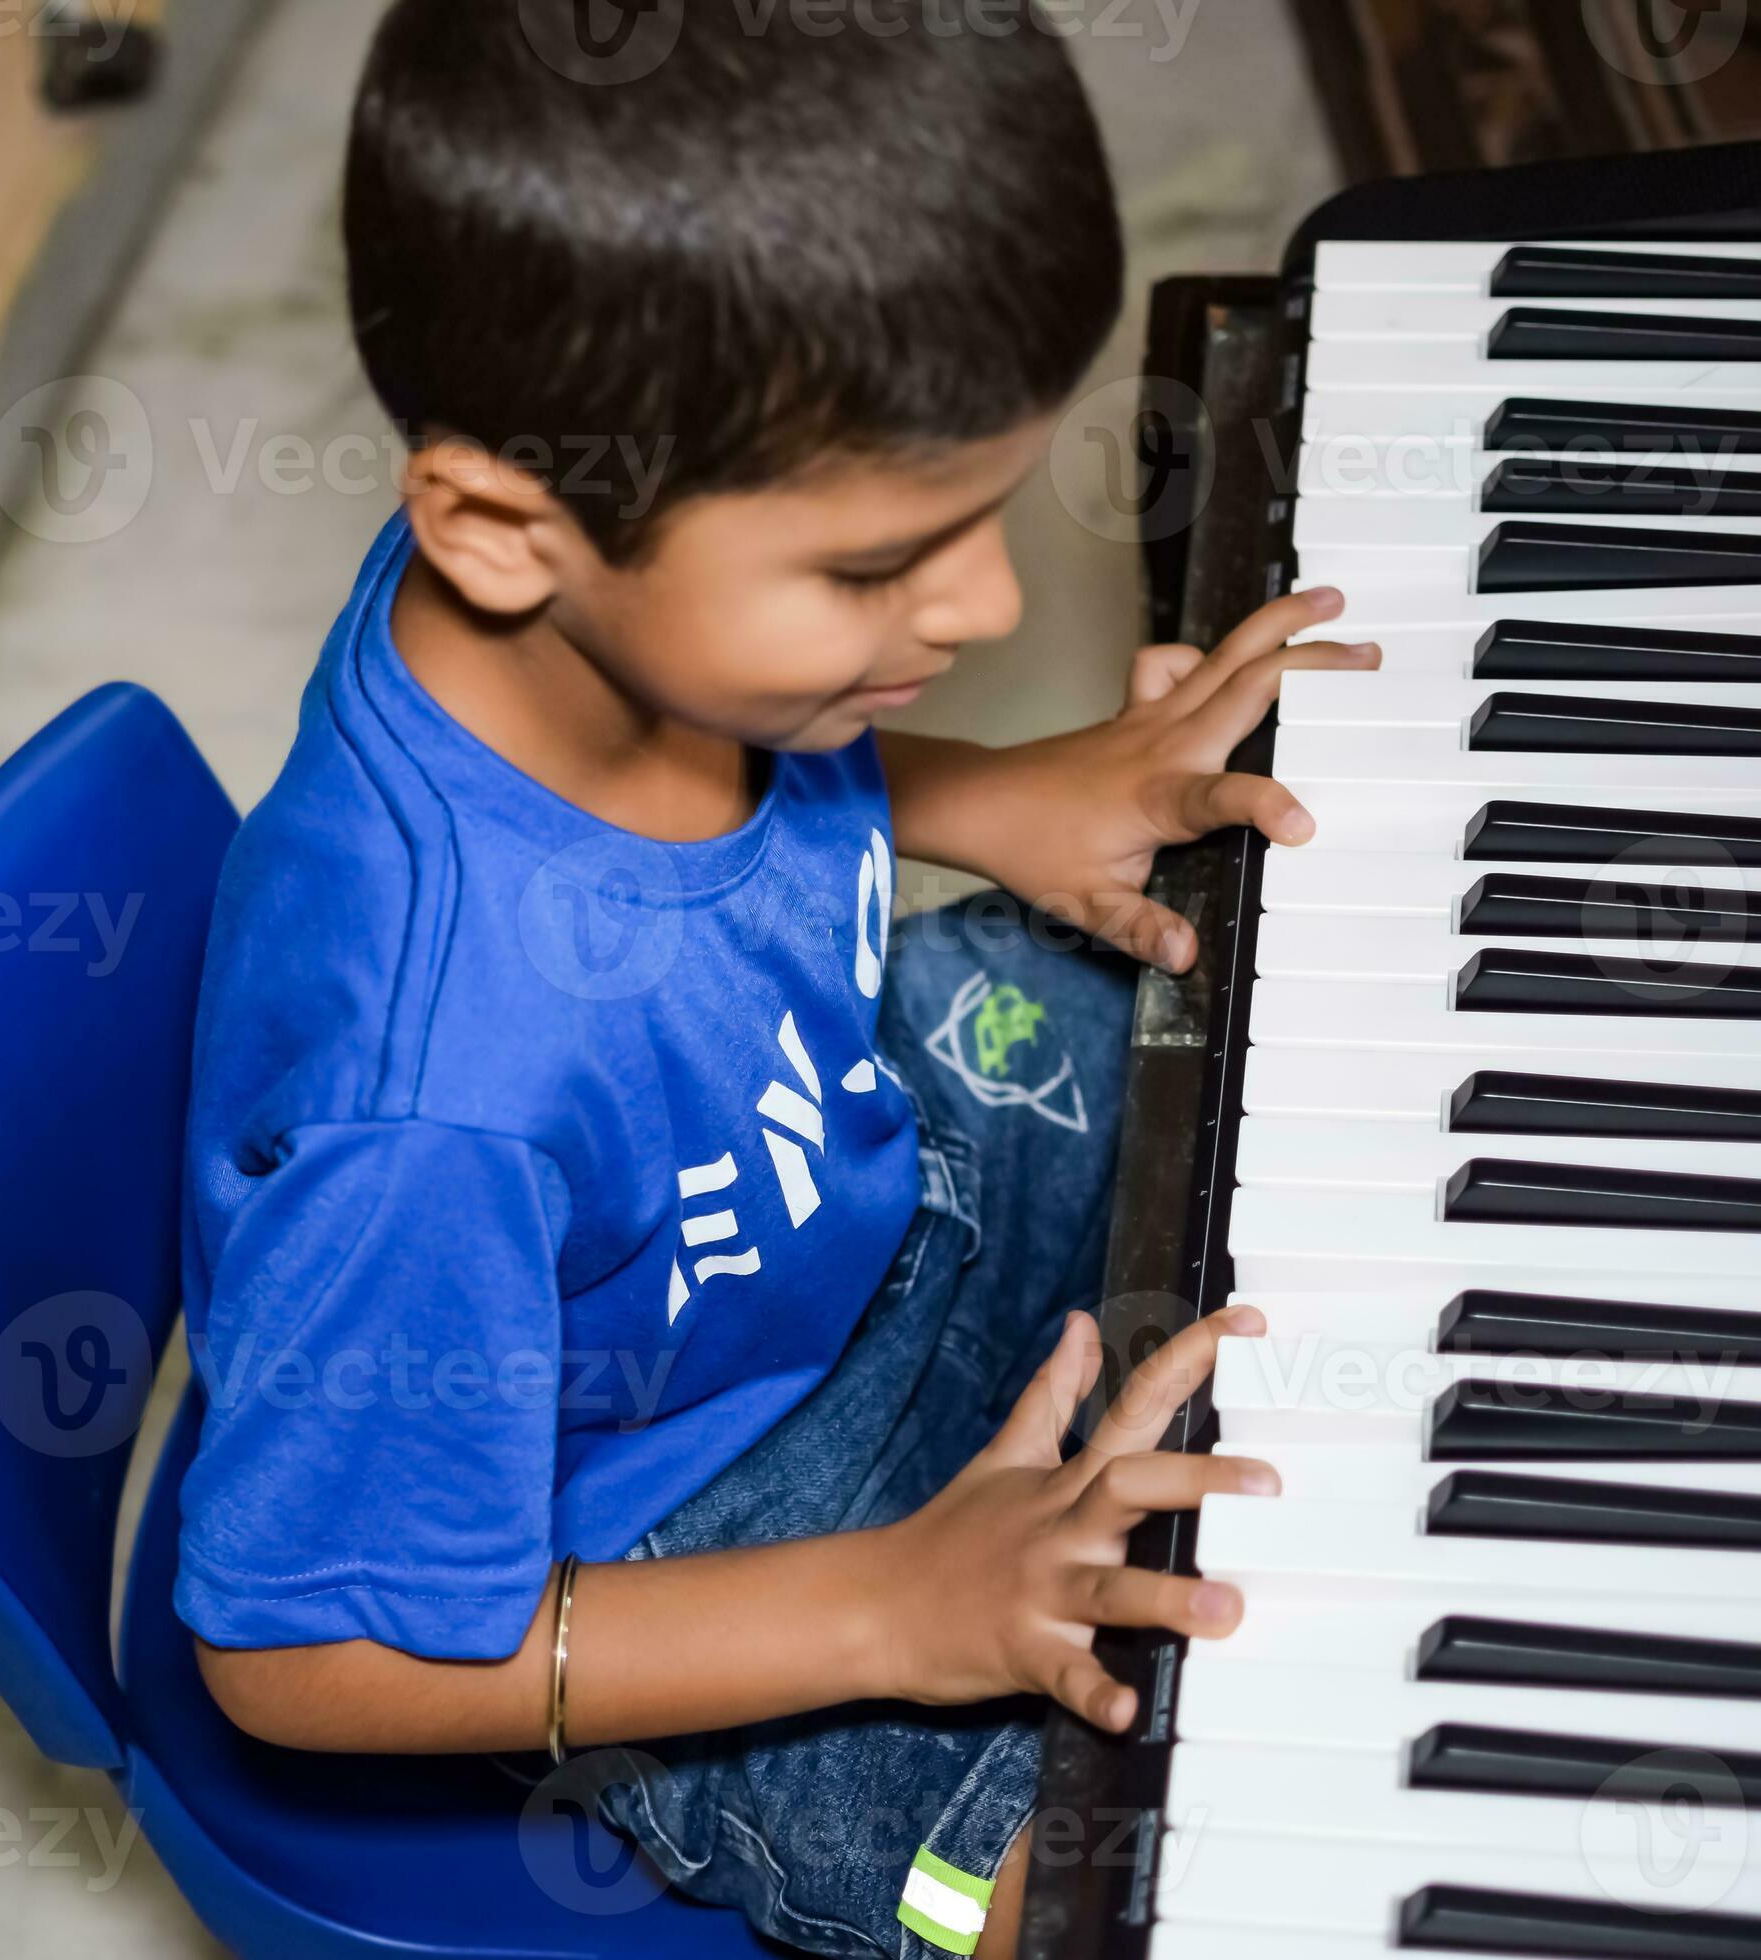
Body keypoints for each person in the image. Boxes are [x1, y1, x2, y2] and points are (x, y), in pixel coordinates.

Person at [176, 4, 1380, 1954]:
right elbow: (297, 1654)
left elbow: (710, 803)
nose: (988, 605)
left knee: (1271, 971)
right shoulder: (425, 1107)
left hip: (844, 1177)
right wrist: (889, 1608)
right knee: (1139, 1873)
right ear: (499, 523)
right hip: (681, 1544)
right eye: (875, 563)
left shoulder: (585, 617)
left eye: (984, 511)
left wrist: (993, 792)